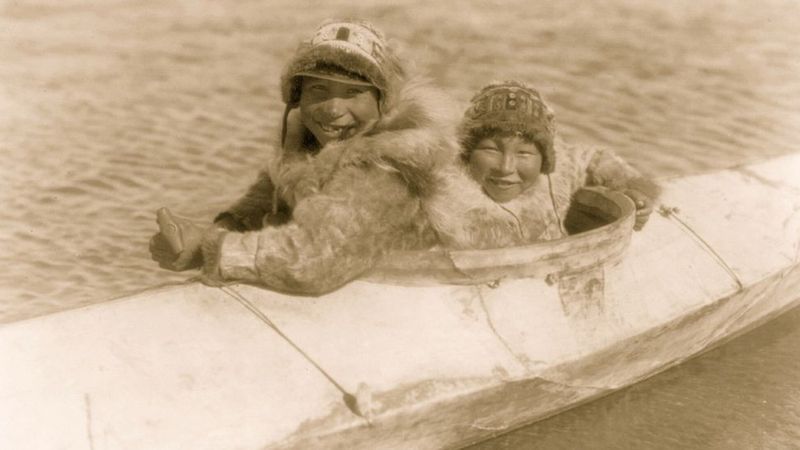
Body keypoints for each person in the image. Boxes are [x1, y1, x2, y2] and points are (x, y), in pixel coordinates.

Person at [149, 19, 462, 294]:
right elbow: (259, 210)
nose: (333, 109)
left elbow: (313, 261)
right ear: (298, 97)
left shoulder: (388, 166)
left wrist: (211, 249)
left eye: (352, 93)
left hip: (412, 305)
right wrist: (201, 237)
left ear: (384, 103)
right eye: (318, 91)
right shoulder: (307, 150)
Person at [426, 80, 660, 250]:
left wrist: (636, 192)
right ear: (466, 154)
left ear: (544, 161)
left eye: (524, 153)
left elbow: (594, 160)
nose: (506, 168)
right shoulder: (438, 190)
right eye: (491, 149)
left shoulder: (558, 173)